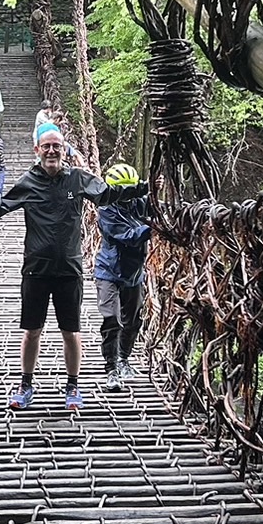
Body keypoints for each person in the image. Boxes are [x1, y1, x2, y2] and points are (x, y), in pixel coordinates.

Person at [0, 123, 147, 411]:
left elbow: (107, 195)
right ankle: (25, 385)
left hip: (69, 270)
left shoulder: (77, 179)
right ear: (36, 150)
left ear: (64, 150)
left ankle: (72, 387)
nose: (51, 150)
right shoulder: (29, 181)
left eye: (56, 146)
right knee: (32, 330)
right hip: (36, 269)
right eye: (46, 146)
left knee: (71, 332)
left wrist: (145, 189)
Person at [94, 164, 151, 392]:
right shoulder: (106, 210)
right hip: (109, 271)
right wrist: (152, 228)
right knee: (112, 319)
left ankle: (124, 359)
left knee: (133, 319)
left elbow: (162, 207)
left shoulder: (138, 202)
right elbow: (128, 236)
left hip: (134, 273)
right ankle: (111, 369)